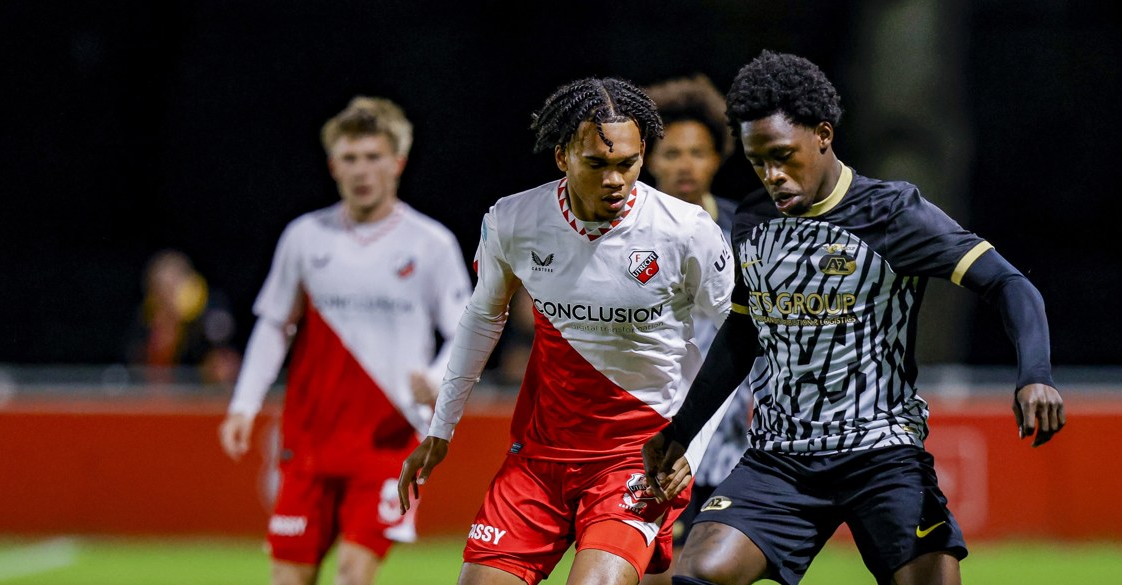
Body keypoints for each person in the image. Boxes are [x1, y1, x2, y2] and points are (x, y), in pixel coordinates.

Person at [642, 51, 1067, 585]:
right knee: (700, 573)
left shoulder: (893, 214)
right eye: (758, 162)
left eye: (783, 156)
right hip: (781, 458)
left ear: (823, 135)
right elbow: (744, 334)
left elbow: (1009, 283)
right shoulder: (752, 220)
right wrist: (680, 431)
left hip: (882, 456)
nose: (773, 175)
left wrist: (1035, 375)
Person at [396, 77, 735, 585]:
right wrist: (441, 428)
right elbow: (483, 317)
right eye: (597, 164)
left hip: (638, 455)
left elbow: (739, 339)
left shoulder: (684, 231)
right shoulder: (514, 220)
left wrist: (689, 442)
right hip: (538, 458)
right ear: (562, 157)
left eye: (628, 163)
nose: (615, 180)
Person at [218, 96, 471, 585]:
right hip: (308, 440)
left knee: (353, 576)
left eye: (373, 156)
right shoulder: (305, 237)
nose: (362, 170)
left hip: (389, 439)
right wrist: (244, 405)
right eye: (350, 158)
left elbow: (464, 327)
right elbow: (274, 325)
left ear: (397, 162)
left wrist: (438, 377)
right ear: (333, 166)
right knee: (288, 578)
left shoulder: (430, 243)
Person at [638, 73, 759, 585]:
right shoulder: (629, 234)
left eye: (697, 152)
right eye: (671, 153)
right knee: (654, 570)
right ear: (648, 159)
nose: (685, 164)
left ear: (717, 157)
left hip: (733, 442)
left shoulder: (745, 232)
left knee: (711, 573)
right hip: (657, 433)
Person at [125, 248, 241, 386]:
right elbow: (138, 364)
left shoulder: (210, 311)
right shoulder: (147, 317)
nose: (168, 296)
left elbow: (223, 360)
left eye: (174, 286)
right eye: (162, 289)